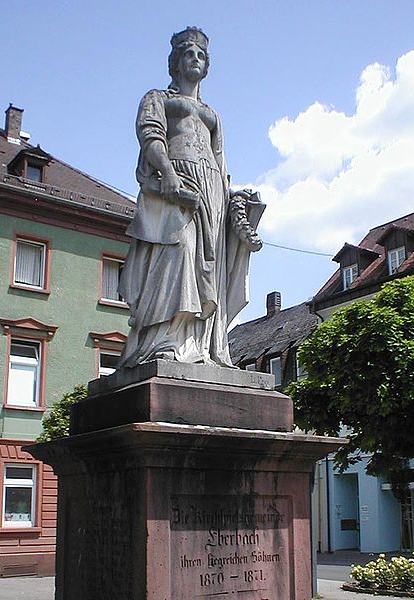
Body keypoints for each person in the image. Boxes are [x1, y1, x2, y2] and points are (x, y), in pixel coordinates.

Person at [118, 27, 263, 368]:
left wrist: (233, 198)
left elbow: (220, 158)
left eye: (200, 55)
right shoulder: (158, 98)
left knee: (209, 269)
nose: (195, 59)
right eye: (188, 54)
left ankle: (201, 344)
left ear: (206, 65)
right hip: (177, 184)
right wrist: (167, 173)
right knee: (179, 251)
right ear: (176, 62)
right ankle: (163, 341)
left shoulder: (213, 114)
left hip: (212, 190)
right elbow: (150, 134)